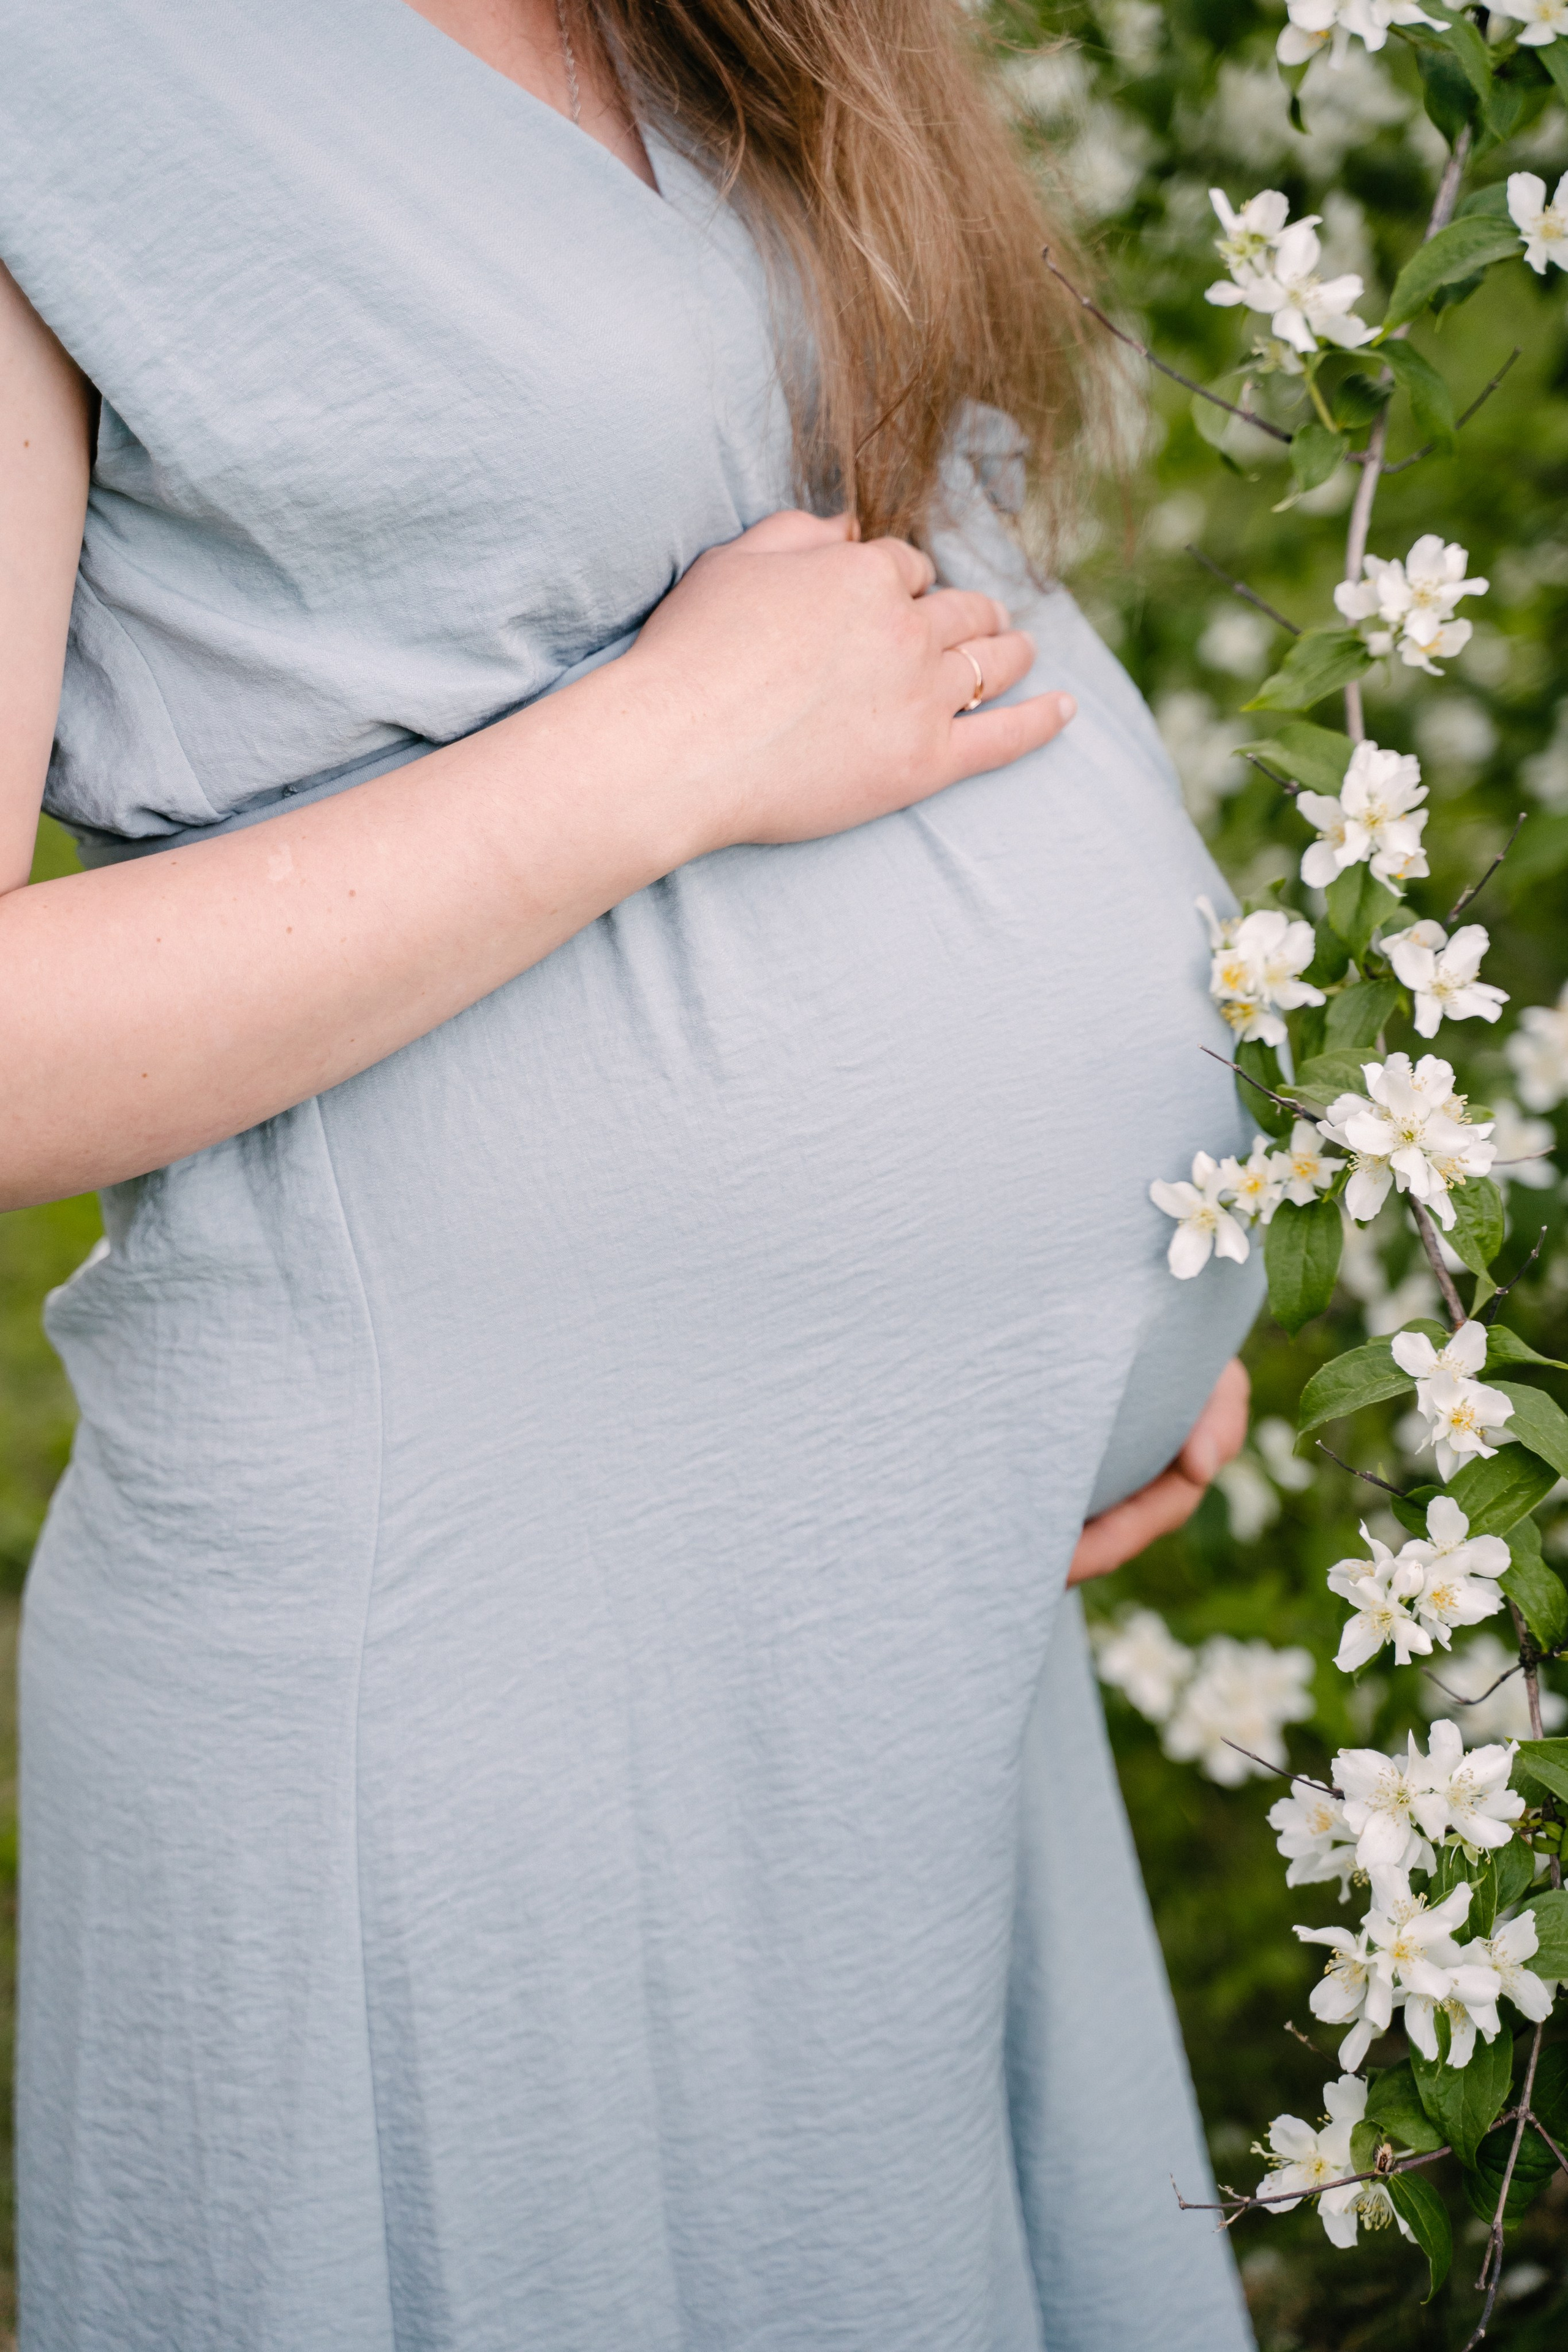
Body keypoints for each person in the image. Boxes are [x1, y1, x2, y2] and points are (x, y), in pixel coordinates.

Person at [0, 4, 1261, 2345]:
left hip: (884, 1587)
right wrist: (658, 750)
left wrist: (1109, 1298)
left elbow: (922, 582)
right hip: (488, 1661)